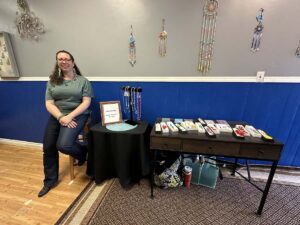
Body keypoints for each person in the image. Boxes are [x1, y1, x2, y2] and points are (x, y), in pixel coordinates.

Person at [38, 50, 94, 197]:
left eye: (66, 59)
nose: (63, 61)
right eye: (60, 59)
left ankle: (82, 154)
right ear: (57, 62)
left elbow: (86, 103)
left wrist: (69, 117)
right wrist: (61, 117)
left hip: (78, 114)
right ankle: (49, 181)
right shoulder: (52, 81)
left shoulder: (83, 81)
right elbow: (49, 104)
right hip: (58, 116)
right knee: (49, 147)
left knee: (63, 145)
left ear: (72, 62)